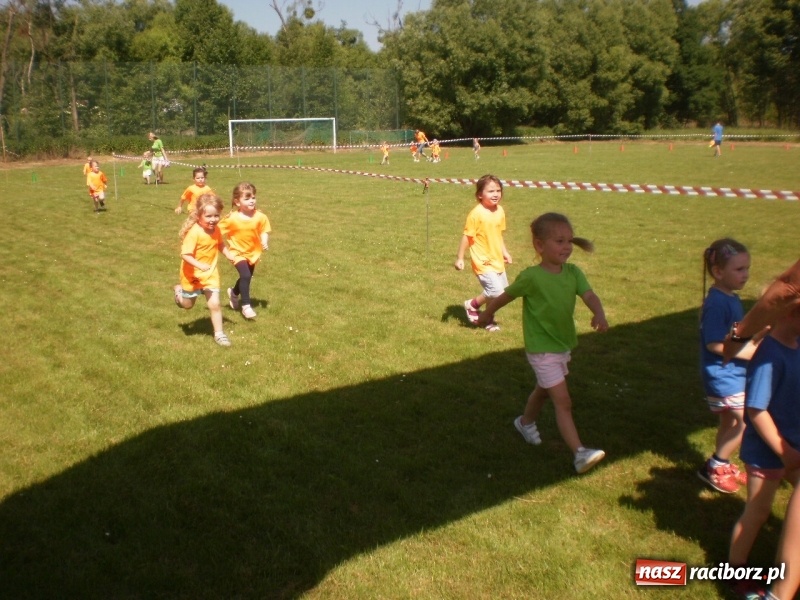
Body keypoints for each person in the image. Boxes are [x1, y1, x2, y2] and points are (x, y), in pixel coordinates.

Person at [477, 212, 609, 474]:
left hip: (562, 346)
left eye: (569, 241)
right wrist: (488, 313)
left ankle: (525, 422)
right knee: (563, 401)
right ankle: (579, 453)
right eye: (559, 241)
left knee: (543, 390)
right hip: (541, 350)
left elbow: (589, 295)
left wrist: (599, 312)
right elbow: (506, 296)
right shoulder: (531, 277)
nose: (567, 247)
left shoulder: (573, 273)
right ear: (540, 245)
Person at [728, 304, 800, 597]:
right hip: (769, 450)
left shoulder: (796, 343)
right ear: (784, 314)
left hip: (793, 446)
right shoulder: (769, 357)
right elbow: (757, 410)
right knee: (758, 512)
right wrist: (782, 449)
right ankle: (735, 569)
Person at [698, 239, 764, 493]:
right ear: (718, 272)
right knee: (743, 421)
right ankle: (715, 466)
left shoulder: (730, 297)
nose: (745, 275)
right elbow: (714, 344)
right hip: (723, 374)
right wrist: (753, 353)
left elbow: (733, 336)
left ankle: (721, 462)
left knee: (729, 422)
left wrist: (757, 335)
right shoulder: (717, 303)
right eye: (739, 269)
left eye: (747, 268)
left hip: (733, 371)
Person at [173, 193, 235, 347]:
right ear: (199, 215)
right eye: (208, 216)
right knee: (188, 305)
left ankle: (219, 334)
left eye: (216, 215)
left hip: (210, 274)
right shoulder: (195, 232)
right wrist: (199, 265)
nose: (213, 219)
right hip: (192, 274)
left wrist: (228, 254)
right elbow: (185, 254)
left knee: (214, 304)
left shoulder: (216, 230)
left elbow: (219, 244)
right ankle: (178, 292)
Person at [454, 174, 512, 332]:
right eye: (491, 191)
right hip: (482, 260)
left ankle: (487, 319)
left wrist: (505, 252)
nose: (495, 194)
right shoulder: (476, 214)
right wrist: (460, 258)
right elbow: (467, 236)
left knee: (502, 293)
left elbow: (498, 234)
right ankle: (472, 305)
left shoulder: (500, 211)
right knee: (495, 291)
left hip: (496, 258)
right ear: (480, 194)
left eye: (498, 191)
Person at [219, 182, 271, 320]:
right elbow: (216, 231)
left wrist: (264, 240)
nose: (251, 200)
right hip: (237, 252)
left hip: (253, 253)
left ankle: (234, 293)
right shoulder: (232, 219)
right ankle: (246, 306)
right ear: (237, 201)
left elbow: (264, 230)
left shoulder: (260, 216)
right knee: (246, 275)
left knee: (245, 277)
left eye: (253, 197)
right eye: (247, 198)